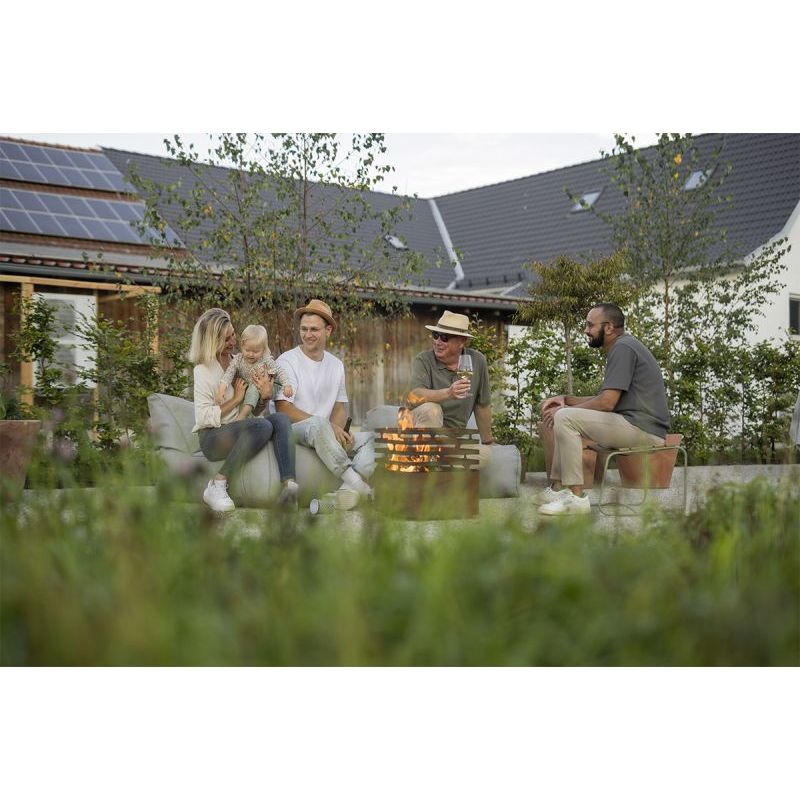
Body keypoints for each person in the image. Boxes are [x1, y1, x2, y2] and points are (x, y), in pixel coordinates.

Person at [537, 302, 670, 516]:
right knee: (564, 415)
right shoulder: (624, 346)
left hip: (643, 430)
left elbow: (607, 403)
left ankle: (576, 498)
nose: (586, 330)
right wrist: (565, 400)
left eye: (590, 325)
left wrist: (564, 410)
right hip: (632, 424)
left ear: (608, 328)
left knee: (565, 418)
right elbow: (605, 399)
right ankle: (558, 489)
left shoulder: (623, 348)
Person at [189, 308, 299, 512]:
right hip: (213, 437)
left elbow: (254, 411)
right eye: (226, 339)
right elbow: (203, 417)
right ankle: (217, 484)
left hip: (242, 426)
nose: (233, 342)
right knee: (262, 426)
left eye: (233, 335)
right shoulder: (202, 370)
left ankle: (289, 488)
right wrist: (236, 399)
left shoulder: (239, 362)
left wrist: (265, 396)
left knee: (280, 419)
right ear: (212, 341)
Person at [275, 299, 374, 496]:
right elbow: (283, 409)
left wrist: (339, 433)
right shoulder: (287, 361)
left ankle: (348, 487)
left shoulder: (336, 365)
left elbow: (338, 407)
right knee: (318, 424)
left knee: (372, 438)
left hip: (324, 430)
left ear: (328, 331)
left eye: (314, 329)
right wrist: (329, 427)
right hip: (295, 430)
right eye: (304, 329)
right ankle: (356, 484)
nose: (307, 335)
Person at [406, 310, 496, 458]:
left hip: (451, 440)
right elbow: (414, 395)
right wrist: (448, 393)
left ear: (462, 341)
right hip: (420, 433)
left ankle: (441, 462)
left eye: (444, 337)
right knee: (432, 409)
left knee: (485, 455)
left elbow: (482, 405)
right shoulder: (423, 360)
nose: (437, 341)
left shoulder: (477, 361)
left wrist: (488, 441)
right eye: (435, 335)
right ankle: (423, 460)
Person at [217, 324, 294, 422]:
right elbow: (229, 372)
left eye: (255, 351)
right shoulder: (238, 359)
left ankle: (243, 415)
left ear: (263, 350)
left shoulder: (265, 359)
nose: (250, 354)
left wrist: (286, 385)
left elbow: (279, 371)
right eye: (247, 350)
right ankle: (249, 416)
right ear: (242, 346)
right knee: (247, 386)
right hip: (253, 386)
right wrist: (222, 389)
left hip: (272, 385)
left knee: (253, 387)